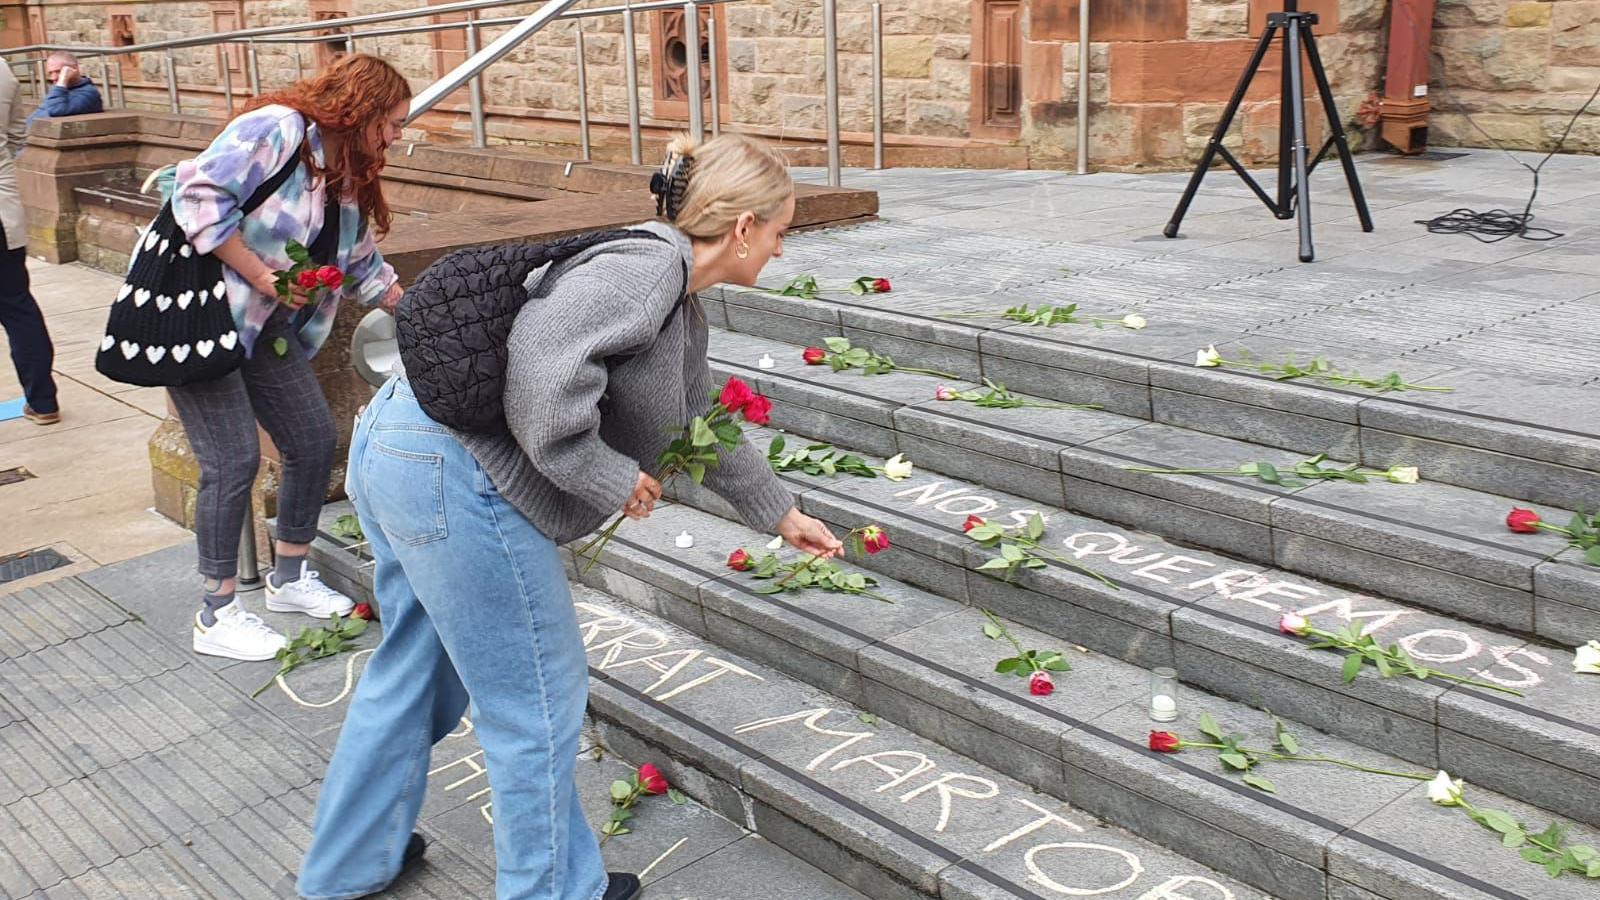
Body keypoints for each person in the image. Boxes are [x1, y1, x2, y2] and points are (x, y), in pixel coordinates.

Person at [297, 133, 843, 900]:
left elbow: (697, 419)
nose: (782, 250)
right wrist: (608, 475)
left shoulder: (675, 296)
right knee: (537, 701)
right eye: (781, 231)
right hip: (457, 475)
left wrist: (779, 512)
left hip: (408, 448)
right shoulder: (645, 271)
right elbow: (542, 393)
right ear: (745, 226)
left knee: (418, 670)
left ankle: (348, 865)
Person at [166, 54, 406, 662]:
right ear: (361, 109)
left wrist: (429, 315)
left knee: (312, 437)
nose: (398, 137)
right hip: (205, 320)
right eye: (394, 122)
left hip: (267, 328)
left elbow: (362, 265)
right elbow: (197, 198)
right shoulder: (275, 128)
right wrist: (267, 278)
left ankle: (289, 578)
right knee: (232, 460)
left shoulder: (343, 170)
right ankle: (216, 613)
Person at [0, 63, 59, 425]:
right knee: (18, 308)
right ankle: (43, 400)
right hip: (2, 213)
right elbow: (18, 136)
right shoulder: (2, 70)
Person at [28, 52, 103, 124]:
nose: (53, 78)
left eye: (58, 71)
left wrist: (62, 81)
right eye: (50, 73)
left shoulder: (89, 93)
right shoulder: (61, 90)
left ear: (74, 69)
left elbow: (55, 110)